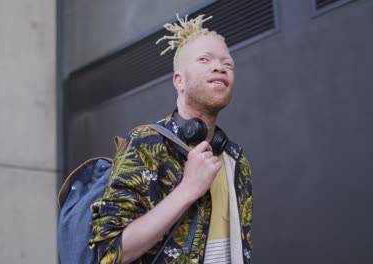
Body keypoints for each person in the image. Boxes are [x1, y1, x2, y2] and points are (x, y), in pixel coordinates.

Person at [89, 14, 253, 264]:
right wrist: (188, 189)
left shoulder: (235, 158)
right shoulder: (147, 143)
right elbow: (109, 253)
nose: (220, 67)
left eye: (227, 64)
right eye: (204, 60)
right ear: (179, 81)